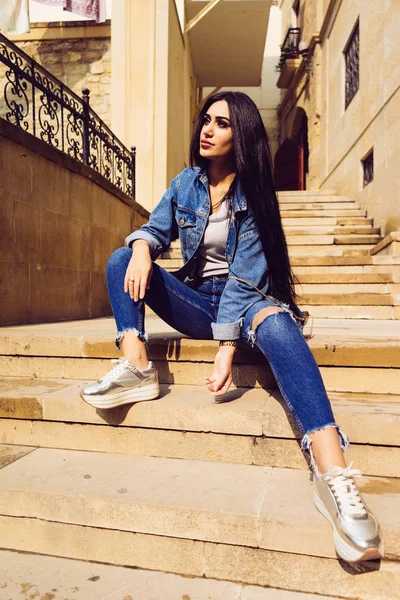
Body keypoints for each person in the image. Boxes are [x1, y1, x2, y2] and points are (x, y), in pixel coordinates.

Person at [81, 91, 383, 564]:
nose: (207, 129)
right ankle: (136, 367)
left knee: (279, 327)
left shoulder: (256, 192)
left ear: (239, 134)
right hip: (198, 299)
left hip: (248, 301)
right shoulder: (187, 183)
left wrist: (227, 345)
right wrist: (143, 248)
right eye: (206, 120)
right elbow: (155, 229)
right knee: (123, 257)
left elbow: (246, 277)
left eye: (221, 124)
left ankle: (335, 479)